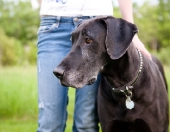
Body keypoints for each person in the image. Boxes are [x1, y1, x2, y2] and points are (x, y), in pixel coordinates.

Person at [36, 0, 152, 132]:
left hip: (98, 24)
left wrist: (133, 38)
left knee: (85, 124)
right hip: (52, 26)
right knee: (49, 125)